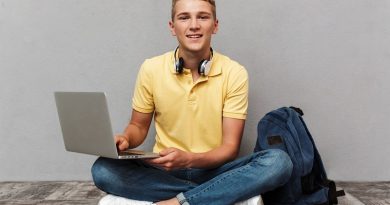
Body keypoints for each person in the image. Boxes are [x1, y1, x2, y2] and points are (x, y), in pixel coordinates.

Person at [91, 0, 293, 204]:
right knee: (102, 170)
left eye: (203, 17)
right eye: (184, 17)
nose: (194, 25)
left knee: (278, 163)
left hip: (213, 170)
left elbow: (230, 148)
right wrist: (125, 138)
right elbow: (138, 126)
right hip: (162, 171)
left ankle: (179, 201)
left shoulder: (235, 73)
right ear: (172, 27)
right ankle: (215, 195)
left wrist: (188, 159)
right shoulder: (151, 68)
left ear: (215, 25)